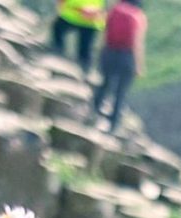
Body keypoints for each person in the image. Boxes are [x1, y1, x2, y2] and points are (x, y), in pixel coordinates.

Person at [93, 0, 146, 132]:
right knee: (120, 93)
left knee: (104, 84)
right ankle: (113, 125)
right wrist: (138, 65)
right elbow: (137, 42)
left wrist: (101, 50)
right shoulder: (137, 16)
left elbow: (105, 29)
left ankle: (94, 112)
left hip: (109, 51)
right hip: (126, 56)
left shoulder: (115, 9)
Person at [52, 0, 104, 71]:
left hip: (72, 16)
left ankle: (57, 53)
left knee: (58, 31)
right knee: (85, 50)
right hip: (90, 20)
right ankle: (84, 69)